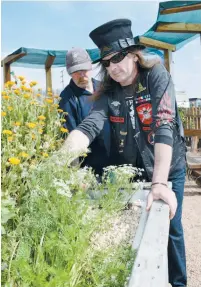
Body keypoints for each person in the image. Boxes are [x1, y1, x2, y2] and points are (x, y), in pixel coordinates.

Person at [60, 19, 187, 287]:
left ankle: (178, 283)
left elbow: (164, 124)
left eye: (117, 58)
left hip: (167, 166)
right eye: (106, 62)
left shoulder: (155, 74)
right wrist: (60, 160)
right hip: (135, 168)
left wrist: (161, 183)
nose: (112, 67)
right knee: (139, 229)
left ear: (133, 53)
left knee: (171, 227)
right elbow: (89, 126)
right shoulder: (108, 90)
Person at [59, 47, 110, 175]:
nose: (81, 75)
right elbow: (70, 141)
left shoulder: (105, 88)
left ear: (90, 67)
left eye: (83, 70)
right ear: (69, 73)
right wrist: (76, 176)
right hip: (90, 171)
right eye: (76, 71)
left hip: (116, 164)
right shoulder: (67, 99)